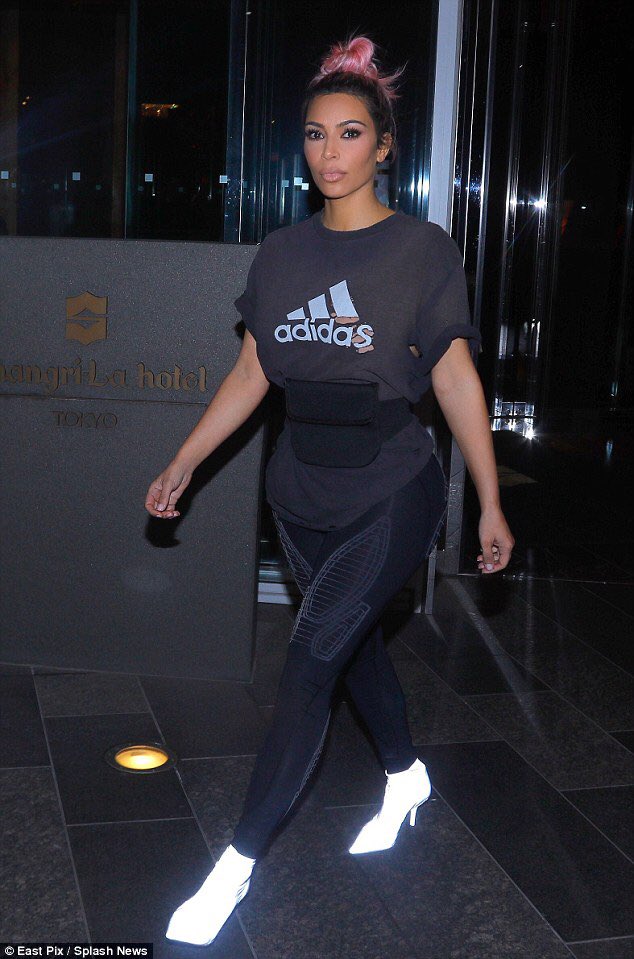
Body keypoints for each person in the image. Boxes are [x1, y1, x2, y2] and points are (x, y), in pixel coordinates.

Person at [144, 33, 514, 948]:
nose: (330, 151)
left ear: (383, 146)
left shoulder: (422, 250)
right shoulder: (280, 253)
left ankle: (232, 868)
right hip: (298, 493)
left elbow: (456, 377)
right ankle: (407, 776)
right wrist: (186, 458)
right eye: (315, 134)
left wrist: (490, 498)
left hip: (390, 489)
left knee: (309, 662)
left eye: (350, 133)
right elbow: (252, 372)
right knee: (350, 649)